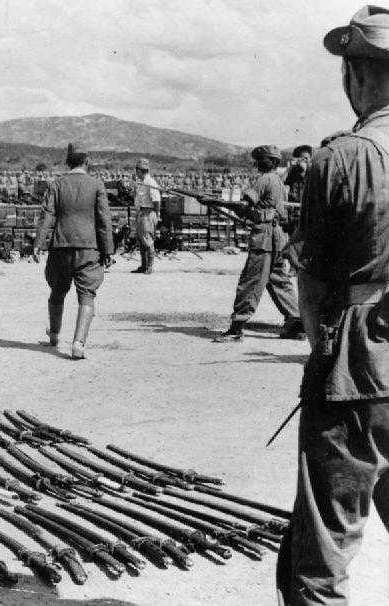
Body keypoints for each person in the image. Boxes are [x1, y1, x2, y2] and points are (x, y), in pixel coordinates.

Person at [276, 7, 389, 605]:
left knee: (323, 548)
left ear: (356, 74)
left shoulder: (342, 158)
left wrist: (323, 350)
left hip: (361, 367)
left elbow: (314, 288)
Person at [214, 145, 303, 342]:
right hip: (278, 237)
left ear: (272, 161)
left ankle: (236, 328)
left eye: (261, 159)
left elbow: (245, 205)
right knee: (279, 281)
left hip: (265, 238)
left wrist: (217, 203)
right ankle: (297, 324)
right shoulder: (278, 181)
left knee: (251, 281)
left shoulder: (265, 179)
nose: (256, 163)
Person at [33, 142, 113, 359]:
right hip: (89, 248)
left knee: (57, 291)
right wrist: (108, 250)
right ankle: (78, 344)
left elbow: (47, 216)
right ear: (87, 161)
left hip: (60, 246)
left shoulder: (56, 185)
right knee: (87, 295)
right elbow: (104, 220)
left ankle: (54, 336)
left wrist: (39, 244)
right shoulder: (97, 185)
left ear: (68, 162)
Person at [131, 158, 160, 274]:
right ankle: (144, 265)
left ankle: (150, 267)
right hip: (142, 213)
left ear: (139, 170)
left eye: (137, 170)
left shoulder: (150, 182)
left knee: (147, 240)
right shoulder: (141, 182)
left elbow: (156, 200)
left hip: (148, 213)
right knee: (141, 240)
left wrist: (156, 215)